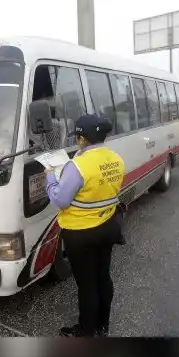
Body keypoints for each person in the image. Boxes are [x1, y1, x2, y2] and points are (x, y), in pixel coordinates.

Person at [45, 114, 124, 337]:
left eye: (78, 137)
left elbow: (60, 200)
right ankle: (102, 325)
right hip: (108, 226)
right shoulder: (116, 159)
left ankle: (87, 331)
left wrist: (50, 178)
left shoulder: (77, 166)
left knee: (87, 284)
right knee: (103, 277)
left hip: (81, 234)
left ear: (82, 139)